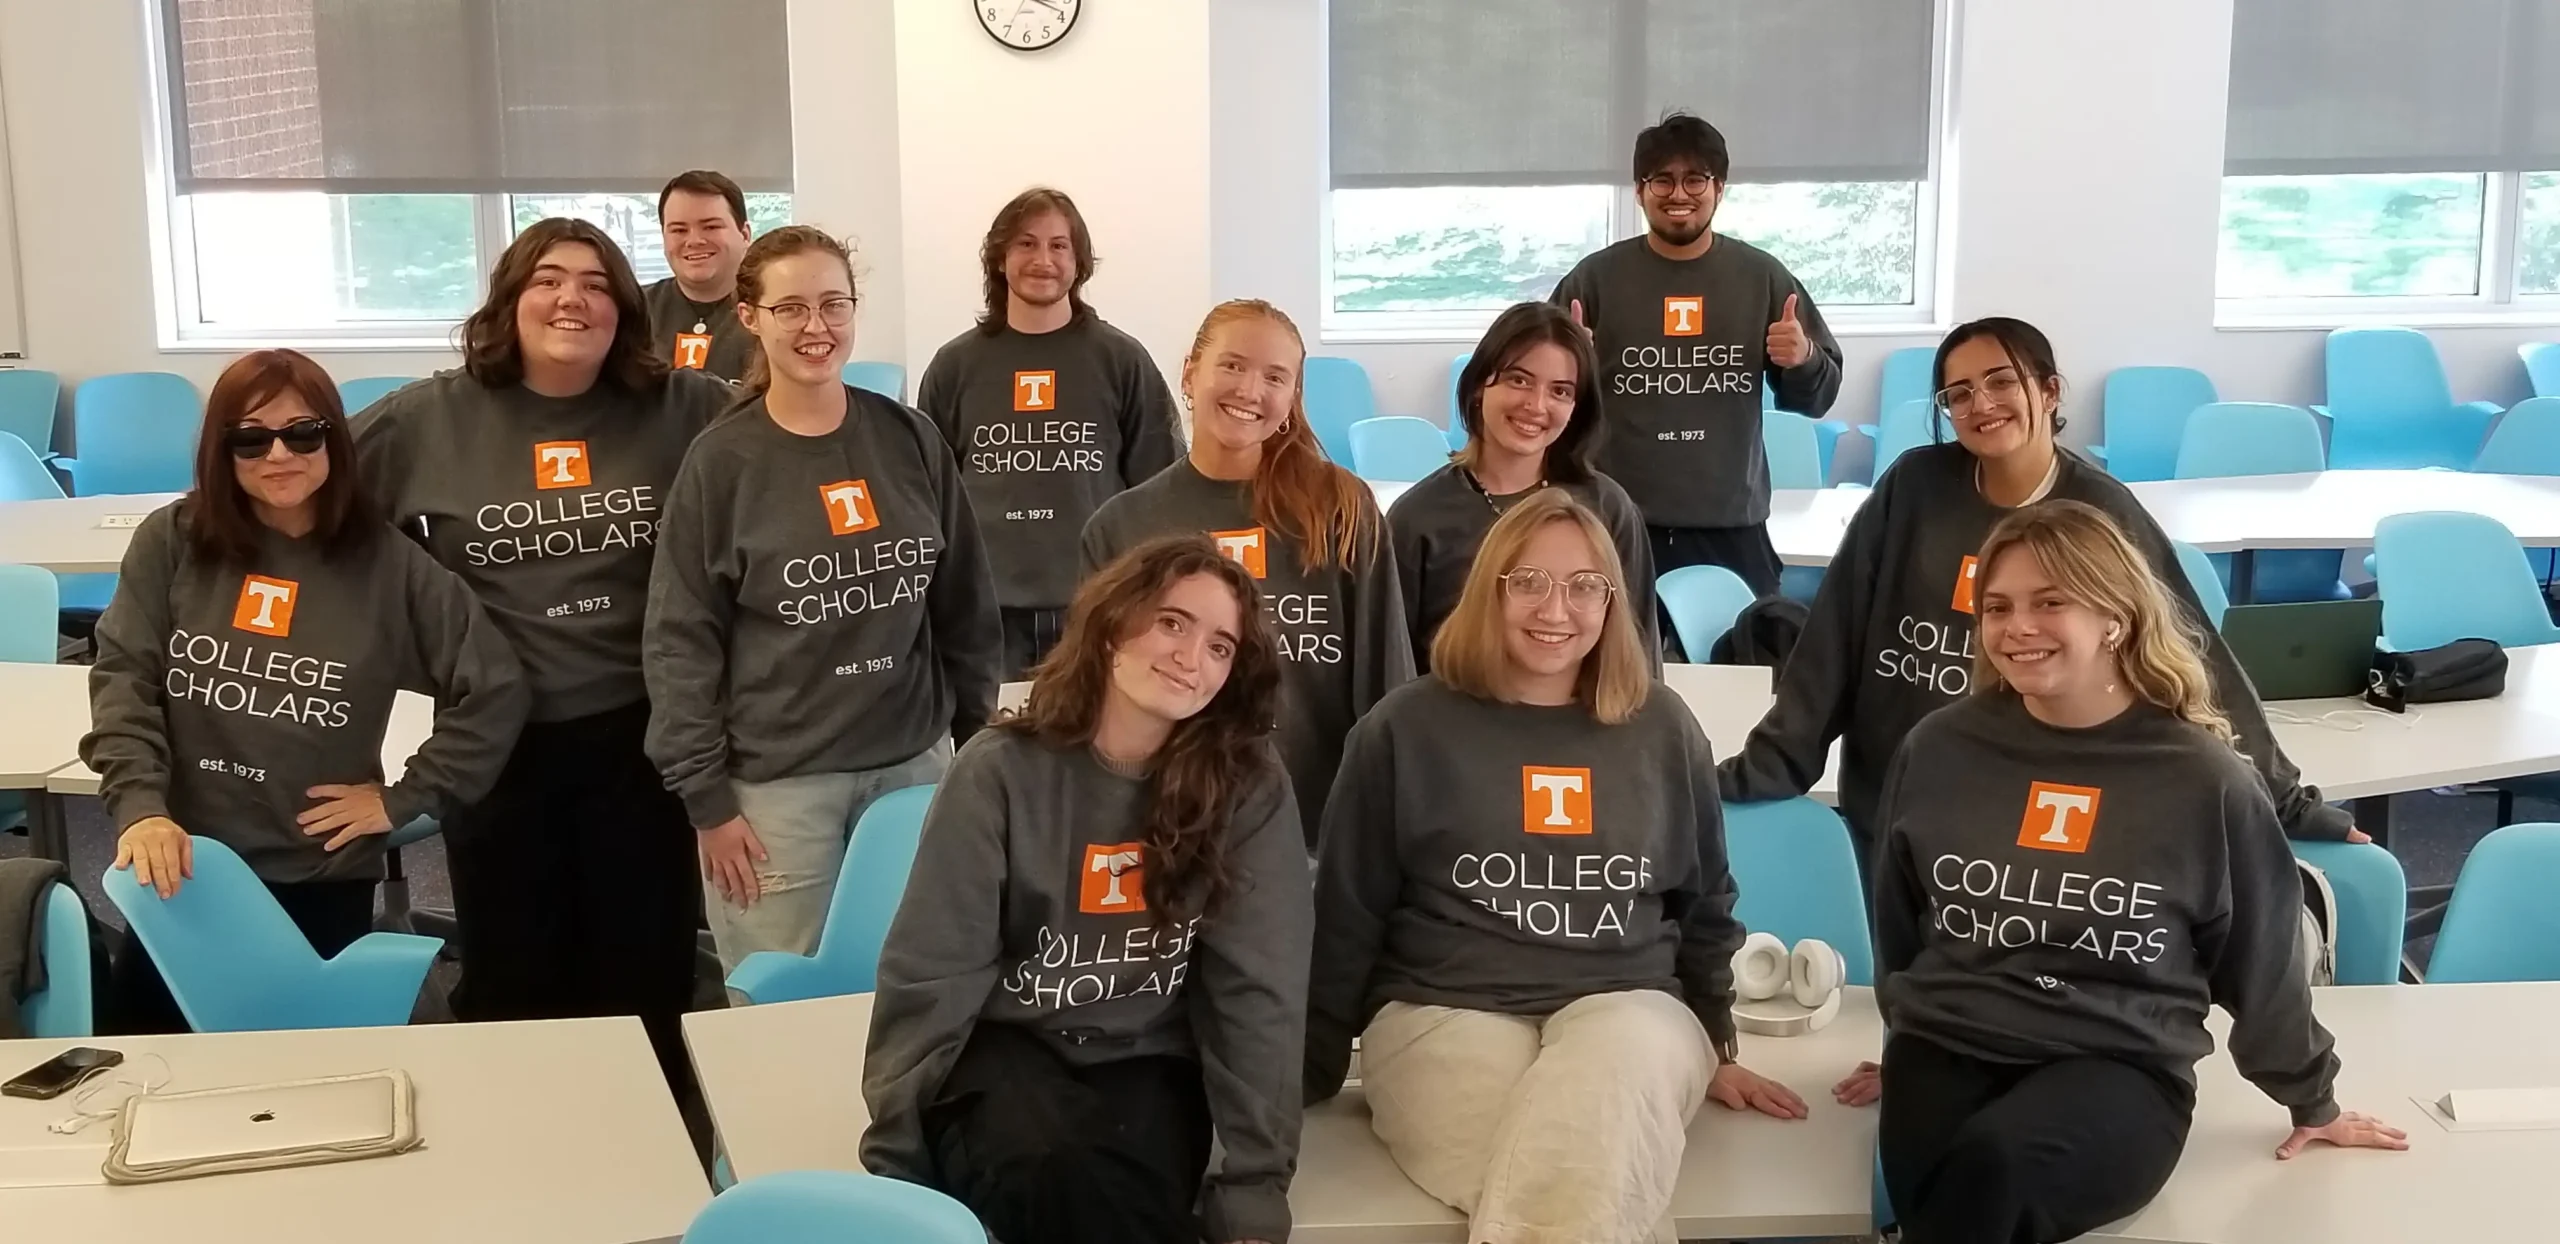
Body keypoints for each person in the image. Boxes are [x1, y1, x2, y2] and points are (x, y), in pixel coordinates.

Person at [1854, 500, 2406, 1243]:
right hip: (1950, 1042)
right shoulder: (1938, 749)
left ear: (2114, 616)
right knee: (1942, 1198)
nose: (2017, 626)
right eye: (1997, 607)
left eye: (2050, 602)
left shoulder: (2204, 779)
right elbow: (1900, 920)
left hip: (2119, 1060)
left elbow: (2264, 962)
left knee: (1993, 1174)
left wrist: (2314, 1101)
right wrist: (1901, 1033)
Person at [1307, 490, 1808, 1244]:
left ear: (1613, 601)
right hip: (1442, 1012)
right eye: (1529, 582)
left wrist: (1711, 1044)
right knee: (1587, 1186)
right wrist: (1308, 1067)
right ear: (1491, 589)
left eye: (1584, 587)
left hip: (1634, 1007)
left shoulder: (1663, 729)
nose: (1556, 609)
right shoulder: (1403, 730)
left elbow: (1704, 898)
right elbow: (1348, 909)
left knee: (1583, 1149)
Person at [1721, 316, 2361, 873]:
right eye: (1959, 393)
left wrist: (2285, 801)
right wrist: (1771, 764)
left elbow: (2192, 655)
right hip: (1900, 796)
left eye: (2002, 381)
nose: (1982, 403)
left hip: (2035, 808)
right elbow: (1834, 637)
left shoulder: (2101, 510)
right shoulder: (1914, 486)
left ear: (2049, 390)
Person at [356, 219, 733, 1087]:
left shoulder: (685, 405)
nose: (574, 298)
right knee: (514, 977)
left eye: (598, 283)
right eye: (549, 280)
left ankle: (658, 1174)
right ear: (509, 300)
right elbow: (316, 509)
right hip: (500, 744)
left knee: (648, 972)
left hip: (648, 738)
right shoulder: (430, 416)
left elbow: (785, 455)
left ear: (624, 308)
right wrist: (426, 650)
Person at [863, 534, 1310, 1244]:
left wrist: (1256, 1181)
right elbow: (932, 970)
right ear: (1111, 627)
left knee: (1130, 1188)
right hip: (1010, 1044)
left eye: (1222, 646)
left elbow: (1260, 990)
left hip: (1149, 1055)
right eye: (1172, 622)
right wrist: (895, 1152)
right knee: (1046, 1165)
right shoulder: (1000, 771)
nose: (1193, 658)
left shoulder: (1248, 786)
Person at [85, 348, 526, 1034]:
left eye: (303, 432)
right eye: (250, 438)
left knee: (310, 1086)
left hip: (315, 871)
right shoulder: (173, 540)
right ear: (221, 449)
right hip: (181, 868)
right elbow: (124, 680)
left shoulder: (389, 565)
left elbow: (494, 687)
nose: (279, 453)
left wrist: (408, 796)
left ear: (333, 439)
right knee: (150, 1076)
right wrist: (141, 806)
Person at [645, 225, 1002, 972]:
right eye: (792, 308)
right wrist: (706, 802)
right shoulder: (722, 464)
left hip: (912, 766)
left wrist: (977, 751)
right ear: (750, 318)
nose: (817, 328)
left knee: (921, 980)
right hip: (777, 788)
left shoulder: (910, 439)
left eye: (834, 304)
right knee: (779, 997)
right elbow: (681, 643)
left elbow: (964, 606)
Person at [1081, 299, 1410, 843]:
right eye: (1232, 365)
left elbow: (1385, 682)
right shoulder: (1121, 527)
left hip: (1318, 827)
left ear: (1291, 398)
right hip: (1169, 825)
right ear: (1190, 372)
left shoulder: (1340, 507)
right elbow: (1100, 697)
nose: (1250, 391)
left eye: (1274, 377)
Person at [1551, 111, 1842, 601]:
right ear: (1639, 190)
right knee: (1614, 673)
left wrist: (1804, 357)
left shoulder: (1762, 277)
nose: (1679, 194)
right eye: (1661, 179)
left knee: (1744, 666)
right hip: (1617, 519)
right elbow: (1543, 394)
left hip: (1731, 521)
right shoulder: (1595, 280)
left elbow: (1819, 397)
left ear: (1720, 188)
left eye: (1695, 179)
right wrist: (1567, 366)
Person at [918, 187, 1184, 680]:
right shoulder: (954, 366)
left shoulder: (1122, 361)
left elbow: (1160, 487)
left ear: (1079, 262)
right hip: (986, 614)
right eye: (1026, 244)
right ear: (999, 258)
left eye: (1059, 245)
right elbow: (929, 497)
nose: (1043, 259)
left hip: (1094, 606)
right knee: (993, 752)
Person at [1389, 300, 1656, 671]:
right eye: (1519, 380)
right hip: (1456, 725)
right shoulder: (1416, 520)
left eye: (1560, 391)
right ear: (1480, 383)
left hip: (1584, 726)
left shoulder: (1608, 508)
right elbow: (1397, 671)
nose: (1536, 405)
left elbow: (1637, 656)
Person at [644, 170, 757, 381]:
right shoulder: (632, 310)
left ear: (745, 235)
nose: (694, 241)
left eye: (711, 227)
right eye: (678, 230)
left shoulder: (774, 311)